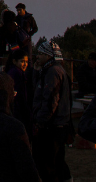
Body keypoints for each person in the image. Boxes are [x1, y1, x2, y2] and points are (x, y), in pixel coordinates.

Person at [31, 40, 72, 182]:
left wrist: (40, 121)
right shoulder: (50, 70)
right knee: (56, 162)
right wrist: (36, 72)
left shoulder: (53, 72)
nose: (37, 56)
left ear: (48, 56)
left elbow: (49, 100)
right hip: (56, 123)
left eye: (41, 54)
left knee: (49, 164)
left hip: (52, 125)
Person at [7, 48, 33, 132]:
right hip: (18, 111)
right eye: (22, 61)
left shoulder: (12, 72)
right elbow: (22, 95)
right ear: (14, 61)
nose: (25, 64)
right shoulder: (18, 74)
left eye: (26, 62)